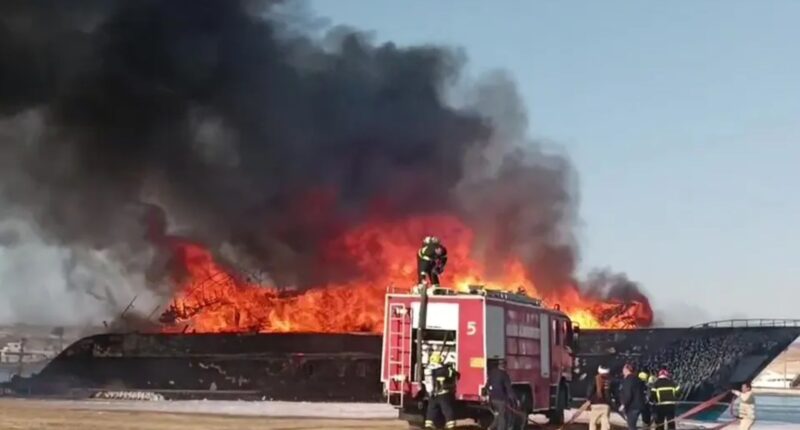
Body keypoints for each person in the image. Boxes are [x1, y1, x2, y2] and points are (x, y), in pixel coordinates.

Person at [424, 352, 459, 429]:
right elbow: (454, 374)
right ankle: (451, 425)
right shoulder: (443, 370)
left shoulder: (428, 370)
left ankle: (428, 424)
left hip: (432, 394)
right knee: (447, 410)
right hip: (443, 394)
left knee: (431, 410)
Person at [484, 359, 517, 430]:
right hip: (500, 399)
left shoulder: (492, 373)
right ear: (504, 366)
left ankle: (490, 428)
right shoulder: (504, 375)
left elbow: (487, 385)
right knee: (501, 417)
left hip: (492, 399)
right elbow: (508, 388)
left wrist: (487, 394)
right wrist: (514, 399)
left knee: (497, 415)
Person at [586, 365, 616, 430]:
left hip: (595, 404)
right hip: (606, 405)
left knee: (593, 423)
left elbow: (589, 392)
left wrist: (589, 399)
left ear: (599, 370)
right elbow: (612, 392)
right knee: (605, 423)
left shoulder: (594, 379)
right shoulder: (609, 381)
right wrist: (611, 403)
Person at [620, 364, 645, 430]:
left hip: (632, 407)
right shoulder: (639, 380)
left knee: (631, 427)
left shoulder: (627, 380)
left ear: (626, 370)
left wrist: (623, 404)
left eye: (623, 369)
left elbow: (628, 394)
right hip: (641, 405)